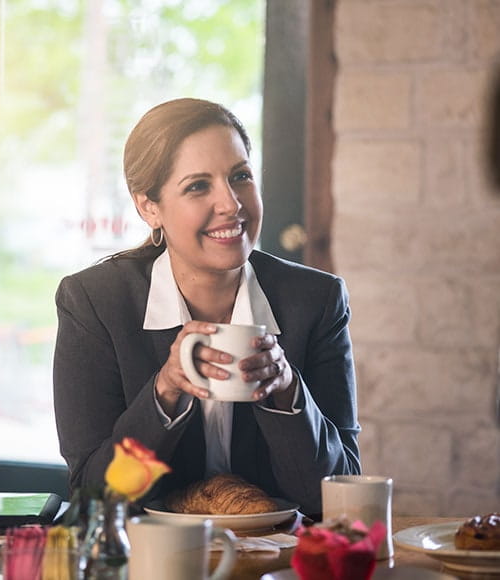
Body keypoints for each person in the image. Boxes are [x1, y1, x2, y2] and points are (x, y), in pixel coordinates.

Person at [53, 98, 361, 518]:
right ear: (149, 206)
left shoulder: (315, 301)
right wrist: (165, 393)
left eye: (241, 177)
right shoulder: (95, 303)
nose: (232, 204)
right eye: (198, 186)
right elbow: (96, 497)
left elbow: (338, 498)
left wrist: (287, 391)